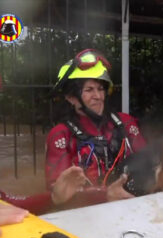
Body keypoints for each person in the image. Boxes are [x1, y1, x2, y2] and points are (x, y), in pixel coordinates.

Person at [45, 49, 146, 207]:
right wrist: (105, 195)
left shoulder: (125, 122)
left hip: (132, 204)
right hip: (87, 215)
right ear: (71, 98)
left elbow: (148, 161)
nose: (98, 96)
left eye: (100, 89)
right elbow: (58, 193)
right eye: (89, 90)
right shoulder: (61, 134)